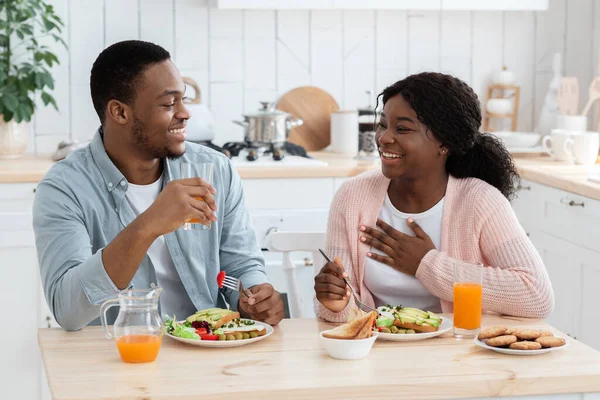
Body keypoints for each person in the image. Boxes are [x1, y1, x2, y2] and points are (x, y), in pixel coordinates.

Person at [33, 40, 284, 331]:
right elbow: (68, 309)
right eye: (168, 103)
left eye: (183, 100)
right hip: (118, 360)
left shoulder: (215, 169)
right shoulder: (64, 189)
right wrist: (149, 224)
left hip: (205, 354)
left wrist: (254, 295)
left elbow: (239, 267)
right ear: (120, 112)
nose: (185, 113)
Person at [314, 72, 554, 322]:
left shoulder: (480, 201)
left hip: (460, 352)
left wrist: (427, 265)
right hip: (377, 350)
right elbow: (344, 315)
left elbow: (536, 295)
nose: (383, 138)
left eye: (403, 128)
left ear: (444, 143)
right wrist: (334, 303)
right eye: (383, 124)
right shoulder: (352, 197)